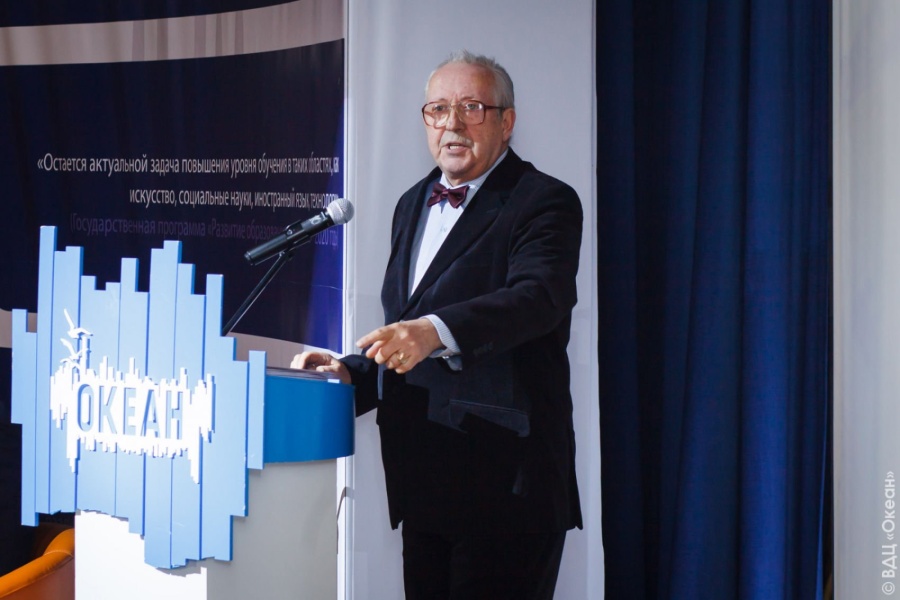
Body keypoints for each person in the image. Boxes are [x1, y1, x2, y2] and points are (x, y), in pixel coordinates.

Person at [293, 49, 583, 599]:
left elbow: (537, 298)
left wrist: (433, 331)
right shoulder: (412, 203)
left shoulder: (544, 200)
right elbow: (408, 330)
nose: (453, 123)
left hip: (506, 492)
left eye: (472, 107)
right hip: (426, 481)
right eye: (438, 109)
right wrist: (351, 373)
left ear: (506, 122)